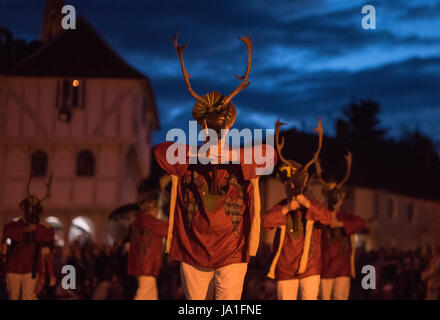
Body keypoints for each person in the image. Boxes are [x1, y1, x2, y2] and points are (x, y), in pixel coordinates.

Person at [153, 34, 275, 300]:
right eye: (210, 126)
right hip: (192, 248)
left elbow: (269, 157)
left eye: (220, 126)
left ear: (228, 128)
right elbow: (159, 152)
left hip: (232, 250)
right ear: (202, 128)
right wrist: (200, 153)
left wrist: (228, 153)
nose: (215, 130)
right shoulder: (187, 158)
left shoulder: (240, 157)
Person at [263, 119, 332, 300]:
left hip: (311, 268)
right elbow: (266, 222)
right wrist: (287, 208)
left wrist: (307, 205)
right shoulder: (281, 206)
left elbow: (328, 219)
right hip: (285, 269)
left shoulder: (314, 205)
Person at [315, 153, 366, 300]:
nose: (338, 201)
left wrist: (341, 224)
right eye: (335, 198)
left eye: (339, 198)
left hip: (342, 268)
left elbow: (361, 223)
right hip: (325, 267)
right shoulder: (321, 215)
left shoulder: (345, 216)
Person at [1, 174, 55, 300]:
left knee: (28, 297)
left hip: (31, 269)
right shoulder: (13, 225)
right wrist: (26, 230)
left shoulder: (41, 228)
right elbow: (7, 232)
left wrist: (36, 228)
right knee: (13, 297)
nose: (31, 212)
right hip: (13, 268)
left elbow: (47, 236)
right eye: (29, 209)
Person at [127, 183, 169, 300]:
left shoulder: (140, 220)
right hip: (146, 265)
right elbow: (169, 230)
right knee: (145, 294)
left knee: (151, 295)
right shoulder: (149, 221)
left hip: (141, 264)